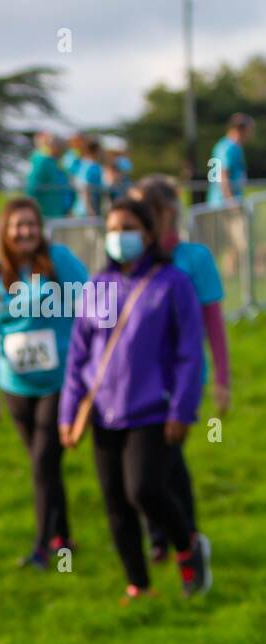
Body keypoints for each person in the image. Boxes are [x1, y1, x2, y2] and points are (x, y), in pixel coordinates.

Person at [57, 198, 210, 601]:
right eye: (113, 229)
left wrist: (183, 409)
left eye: (128, 228)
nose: (119, 237)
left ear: (147, 235)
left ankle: (187, 547)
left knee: (143, 489)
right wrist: (68, 412)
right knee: (115, 503)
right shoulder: (98, 286)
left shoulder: (172, 283)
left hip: (153, 410)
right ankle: (138, 586)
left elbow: (190, 352)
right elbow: (79, 354)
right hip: (104, 412)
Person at [0, 197, 89, 568]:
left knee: (42, 463)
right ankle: (63, 537)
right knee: (46, 466)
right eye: (17, 225)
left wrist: (91, 373)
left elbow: (94, 310)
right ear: (4, 231)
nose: (25, 232)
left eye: (31, 225)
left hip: (61, 383)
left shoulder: (61, 262)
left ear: (41, 229)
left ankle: (41, 548)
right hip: (15, 387)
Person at [130, 173, 230, 563]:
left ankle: (181, 533)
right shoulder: (133, 259)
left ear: (167, 214)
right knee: (148, 462)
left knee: (166, 456)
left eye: (145, 212)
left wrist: (222, 379)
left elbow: (214, 323)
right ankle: (162, 535)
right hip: (136, 378)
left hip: (180, 378)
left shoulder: (195, 259)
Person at [207, 113, 253, 208]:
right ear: (240, 129)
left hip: (227, 202)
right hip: (224, 205)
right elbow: (222, 175)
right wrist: (230, 201)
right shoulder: (227, 148)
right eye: (249, 129)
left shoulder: (231, 147)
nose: (250, 133)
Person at [25, 131, 72, 219]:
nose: (64, 151)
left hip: (60, 213)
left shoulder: (56, 163)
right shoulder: (42, 161)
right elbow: (32, 188)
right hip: (47, 214)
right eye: (62, 147)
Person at [71, 138, 105, 218]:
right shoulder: (89, 167)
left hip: (88, 209)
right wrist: (89, 209)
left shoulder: (85, 165)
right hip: (86, 212)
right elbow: (85, 187)